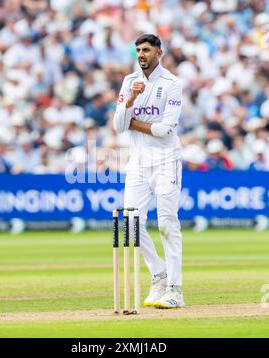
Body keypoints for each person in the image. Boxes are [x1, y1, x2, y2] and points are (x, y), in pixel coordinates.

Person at [113, 34, 185, 309]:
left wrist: (135, 123)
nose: (141, 54)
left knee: (167, 222)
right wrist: (131, 99)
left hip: (167, 160)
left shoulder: (172, 84)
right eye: (138, 50)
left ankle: (175, 290)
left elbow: (165, 129)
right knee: (128, 224)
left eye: (146, 50)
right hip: (138, 163)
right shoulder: (130, 82)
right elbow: (119, 124)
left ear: (158, 52)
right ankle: (159, 274)